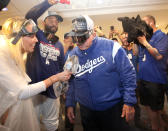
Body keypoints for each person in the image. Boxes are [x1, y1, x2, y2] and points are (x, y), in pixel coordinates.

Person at [66, 15, 137, 131]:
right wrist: (70, 103)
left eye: (83, 37)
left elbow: (128, 74)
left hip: (113, 109)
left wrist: (129, 101)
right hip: (86, 111)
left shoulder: (112, 47)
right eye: (76, 38)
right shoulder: (72, 55)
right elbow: (71, 81)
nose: (79, 42)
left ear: (93, 33)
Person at [0, 17, 71, 131]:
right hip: (34, 93)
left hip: (51, 94)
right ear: (17, 37)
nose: (36, 40)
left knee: (51, 123)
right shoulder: (2, 54)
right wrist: (54, 78)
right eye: (32, 36)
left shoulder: (15, 57)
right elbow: (21, 91)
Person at [25, 0, 65, 130]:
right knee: (32, 124)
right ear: (43, 23)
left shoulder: (59, 44)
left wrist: (63, 87)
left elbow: (61, 67)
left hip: (52, 92)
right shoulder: (38, 35)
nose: (54, 22)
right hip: (34, 89)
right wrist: (48, 3)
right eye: (51, 19)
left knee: (52, 124)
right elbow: (30, 16)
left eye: (56, 20)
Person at [137, 15, 168, 131]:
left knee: (155, 108)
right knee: (147, 106)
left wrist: (145, 43)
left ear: (151, 23)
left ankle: (157, 127)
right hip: (143, 78)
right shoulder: (144, 37)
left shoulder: (161, 36)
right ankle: (159, 125)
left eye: (143, 23)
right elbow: (138, 55)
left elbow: (158, 55)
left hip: (155, 79)